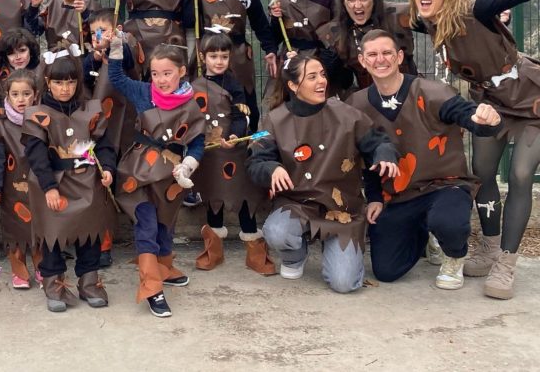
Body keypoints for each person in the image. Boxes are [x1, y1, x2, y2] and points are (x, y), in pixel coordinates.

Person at [408, 0, 540, 299]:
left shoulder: (475, 10)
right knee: (481, 172)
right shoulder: (426, 20)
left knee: (521, 175)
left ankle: (506, 263)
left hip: (530, 97)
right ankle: (490, 248)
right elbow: (383, 10)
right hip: (490, 102)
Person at [347, 30, 503, 290]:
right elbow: (367, 156)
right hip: (398, 194)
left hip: (444, 185)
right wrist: (374, 197)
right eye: (372, 54)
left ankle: (454, 255)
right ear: (362, 61)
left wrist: (485, 121)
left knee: (448, 222)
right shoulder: (357, 104)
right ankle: (425, 231)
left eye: (386, 53)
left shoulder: (432, 91)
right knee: (386, 270)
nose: (380, 60)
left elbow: (465, 114)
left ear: (399, 57)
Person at [247, 53, 399, 293]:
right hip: (297, 204)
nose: (322, 81)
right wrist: (271, 168)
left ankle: (337, 248)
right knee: (276, 232)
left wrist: (384, 155)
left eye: (322, 75)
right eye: (312, 77)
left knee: (344, 284)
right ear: (293, 86)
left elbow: (378, 141)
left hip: (342, 210)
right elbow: (255, 161)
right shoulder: (272, 120)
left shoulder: (347, 113)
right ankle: (294, 257)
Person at [108, 39, 204, 318]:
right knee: (147, 224)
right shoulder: (142, 91)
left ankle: (164, 267)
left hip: (170, 174)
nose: (161, 80)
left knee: (165, 222)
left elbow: (197, 143)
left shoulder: (191, 104)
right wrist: (116, 47)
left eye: (167, 73)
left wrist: (187, 166)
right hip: (139, 171)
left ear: (181, 72)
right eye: (155, 73)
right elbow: (116, 78)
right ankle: (152, 287)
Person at [22, 52, 116, 313]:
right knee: (52, 236)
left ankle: (89, 282)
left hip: (86, 181)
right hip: (54, 182)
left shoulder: (90, 111)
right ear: (48, 82)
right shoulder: (38, 114)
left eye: (71, 82)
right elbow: (36, 155)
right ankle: (54, 284)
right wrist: (49, 187)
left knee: (90, 234)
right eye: (59, 82)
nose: (65, 88)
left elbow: (104, 145)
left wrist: (108, 169)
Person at [190, 31, 274, 276]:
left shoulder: (234, 84)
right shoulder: (194, 86)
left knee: (243, 198)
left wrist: (236, 135)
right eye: (213, 56)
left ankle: (255, 252)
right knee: (214, 196)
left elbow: (241, 115)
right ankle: (213, 251)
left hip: (234, 150)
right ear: (203, 57)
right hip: (210, 153)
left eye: (224, 56)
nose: (219, 61)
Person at [186, 0, 278, 131]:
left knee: (246, 101)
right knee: (209, 98)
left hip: (238, 52)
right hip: (210, 49)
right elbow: (189, 19)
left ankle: (246, 141)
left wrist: (270, 49)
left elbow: (258, 20)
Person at [81, 8, 141, 267]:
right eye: (95, 32)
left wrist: (114, 43)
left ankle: (144, 240)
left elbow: (129, 61)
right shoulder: (90, 56)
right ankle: (102, 243)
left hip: (125, 126)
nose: (99, 36)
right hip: (99, 128)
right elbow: (84, 76)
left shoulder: (125, 47)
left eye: (103, 30)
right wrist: (94, 57)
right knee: (102, 182)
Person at [318, 0, 417, 97]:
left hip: (410, 93)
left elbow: (435, 20)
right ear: (343, 2)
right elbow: (334, 79)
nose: (357, 5)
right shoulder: (335, 33)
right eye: (351, 0)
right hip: (369, 99)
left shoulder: (399, 15)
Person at [0, 70, 42, 290]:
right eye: (15, 94)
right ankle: (19, 271)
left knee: (39, 226)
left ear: (35, 95)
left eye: (26, 94)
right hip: (11, 187)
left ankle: (42, 267)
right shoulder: (1, 124)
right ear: (7, 96)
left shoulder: (42, 120)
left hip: (38, 185)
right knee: (14, 228)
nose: (21, 99)